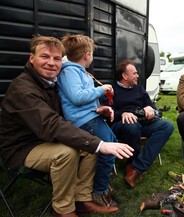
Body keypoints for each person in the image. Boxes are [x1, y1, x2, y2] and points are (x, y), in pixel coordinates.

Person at [0, 35, 134, 217]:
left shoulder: (49, 83)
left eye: (56, 58)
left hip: (43, 139)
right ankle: (63, 210)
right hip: (22, 147)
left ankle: (82, 199)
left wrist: (99, 110)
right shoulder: (24, 89)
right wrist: (101, 144)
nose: (51, 63)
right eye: (45, 56)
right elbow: (51, 124)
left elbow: (66, 111)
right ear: (32, 58)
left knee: (89, 148)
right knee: (68, 153)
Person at [56, 34, 118, 208]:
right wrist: (101, 89)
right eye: (92, 53)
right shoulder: (70, 71)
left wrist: (98, 107)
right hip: (83, 120)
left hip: (90, 116)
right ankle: (99, 191)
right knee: (109, 150)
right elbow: (77, 97)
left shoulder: (78, 71)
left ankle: (101, 180)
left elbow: (83, 98)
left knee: (112, 141)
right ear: (87, 55)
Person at [110, 60, 174, 188]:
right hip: (120, 124)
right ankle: (134, 162)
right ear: (124, 76)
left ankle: (136, 167)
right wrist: (122, 114)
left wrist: (150, 109)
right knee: (132, 125)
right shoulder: (111, 90)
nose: (137, 76)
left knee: (167, 126)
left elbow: (152, 107)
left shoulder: (139, 89)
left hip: (142, 123)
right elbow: (106, 112)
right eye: (134, 73)